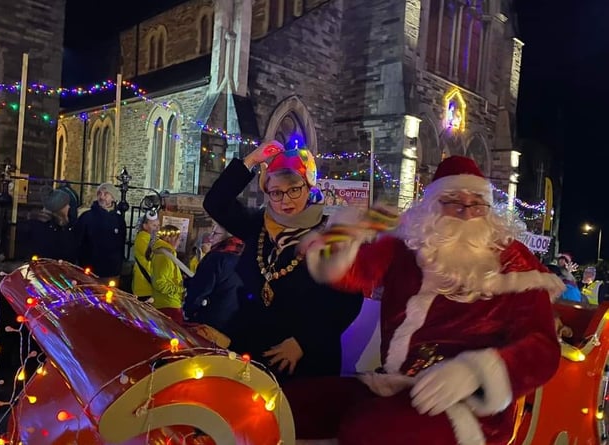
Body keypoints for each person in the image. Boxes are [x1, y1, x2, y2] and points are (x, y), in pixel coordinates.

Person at [291, 155, 565, 444]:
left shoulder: (515, 260)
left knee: (371, 431)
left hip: (470, 409)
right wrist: (349, 230)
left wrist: (475, 373)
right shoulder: (407, 246)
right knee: (287, 406)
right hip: (392, 384)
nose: (466, 212)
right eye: (453, 202)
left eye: (476, 204)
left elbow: (542, 348)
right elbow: (349, 273)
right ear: (433, 207)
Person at [198, 140, 363, 382]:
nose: (285, 200)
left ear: (308, 187)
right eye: (276, 192)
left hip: (306, 362)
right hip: (254, 354)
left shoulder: (333, 238)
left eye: (294, 189)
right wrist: (251, 161)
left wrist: (302, 342)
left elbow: (347, 302)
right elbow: (215, 203)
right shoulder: (259, 226)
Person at [184, 224, 245, 331]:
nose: (210, 238)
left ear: (228, 236)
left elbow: (200, 289)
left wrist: (189, 311)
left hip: (211, 320)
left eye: (215, 234)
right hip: (235, 320)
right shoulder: (245, 256)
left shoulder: (215, 258)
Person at [76, 183, 126, 286]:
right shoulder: (87, 217)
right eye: (99, 193)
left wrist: (118, 266)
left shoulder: (119, 220)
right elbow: (77, 242)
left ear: (113, 198)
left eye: (106, 194)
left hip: (111, 272)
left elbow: (121, 244)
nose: (102, 197)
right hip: (90, 271)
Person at [27, 186, 78, 263]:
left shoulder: (66, 226)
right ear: (60, 208)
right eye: (66, 204)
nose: (69, 207)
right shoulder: (44, 228)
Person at [150, 224, 186, 324]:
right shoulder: (165, 256)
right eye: (178, 238)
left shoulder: (165, 254)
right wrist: (181, 289)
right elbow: (159, 283)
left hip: (167, 302)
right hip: (168, 304)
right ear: (168, 238)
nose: (180, 241)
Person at [131, 210, 160, 302]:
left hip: (149, 283)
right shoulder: (143, 238)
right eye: (154, 225)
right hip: (144, 284)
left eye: (158, 225)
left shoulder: (152, 238)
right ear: (145, 226)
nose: (157, 228)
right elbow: (151, 255)